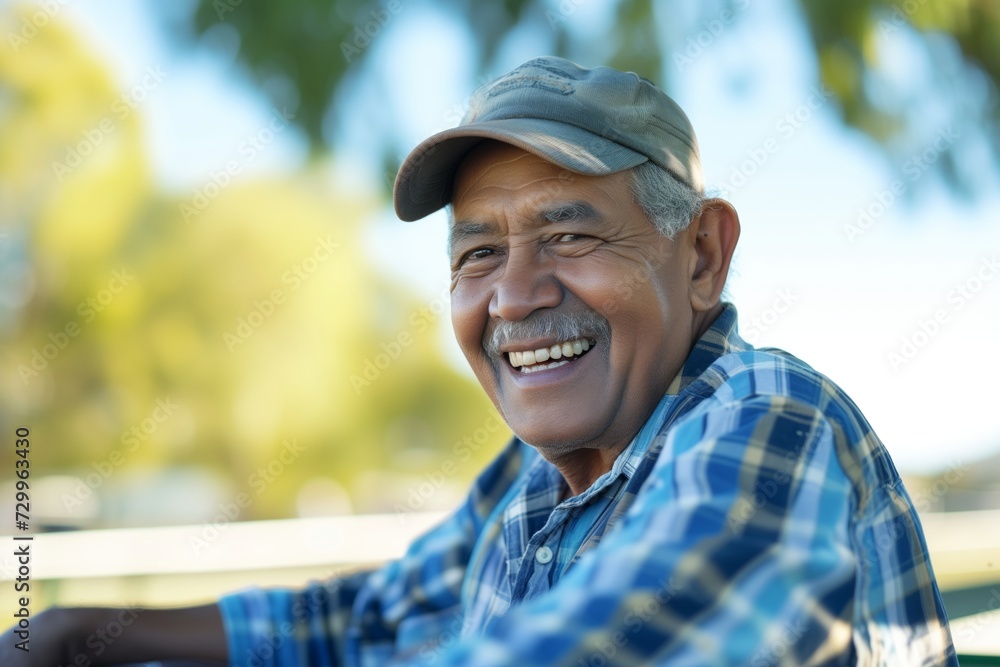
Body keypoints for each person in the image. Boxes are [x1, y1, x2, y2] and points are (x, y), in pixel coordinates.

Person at [2, 56, 957, 666]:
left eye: (570, 235)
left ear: (701, 255)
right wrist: (82, 633)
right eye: (477, 253)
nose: (513, 295)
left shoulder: (770, 418)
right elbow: (367, 623)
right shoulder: (529, 485)